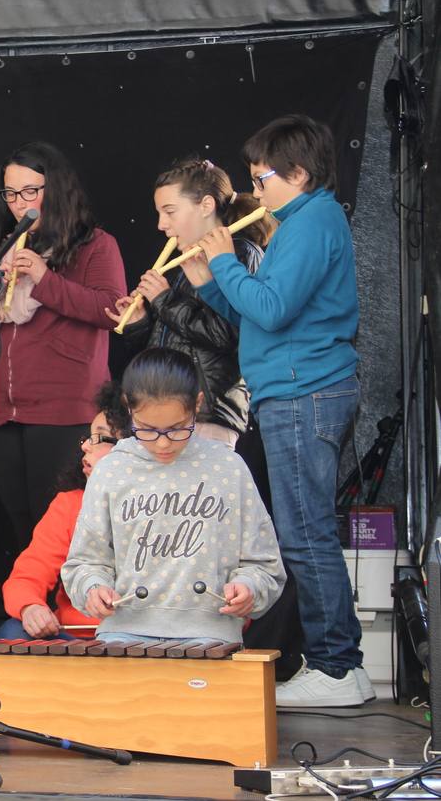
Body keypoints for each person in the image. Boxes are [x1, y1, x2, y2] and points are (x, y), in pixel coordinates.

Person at [189, 114, 366, 706]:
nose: (254, 191)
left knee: (305, 534)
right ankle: (340, 664)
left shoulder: (312, 220)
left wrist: (223, 262)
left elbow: (272, 308)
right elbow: (255, 318)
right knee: (303, 530)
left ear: (298, 172)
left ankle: (336, 667)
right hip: (293, 387)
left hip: (304, 390)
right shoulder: (297, 223)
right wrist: (211, 282)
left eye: (262, 178)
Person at [0, 142, 126, 554]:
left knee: (63, 524)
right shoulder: (2, 246)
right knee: (21, 527)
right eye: (10, 193)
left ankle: (70, 614)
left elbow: (111, 310)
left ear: (57, 189)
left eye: (31, 191)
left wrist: (44, 278)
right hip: (1, 409)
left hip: (65, 409)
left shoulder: (94, 245)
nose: (19, 203)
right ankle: (33, 611)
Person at [62, 348, 286, 645]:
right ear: (130, 410)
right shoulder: (111, 470)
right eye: (148, 430)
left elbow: (265, 564)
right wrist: (93, 588)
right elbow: (84, 563)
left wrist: (249, 588)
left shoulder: (228, 468)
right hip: (123, 634)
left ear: (197, 406)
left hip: (209, 636)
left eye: (178, 429)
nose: (163, 443)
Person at [106, 158, 274, 448]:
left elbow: (232, 336)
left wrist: (164, 299)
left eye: (170, 211)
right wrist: (139, 324)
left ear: (206, 205)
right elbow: (180, 341)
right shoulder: (190, 256)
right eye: (159, 213)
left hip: (205, 415)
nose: (162, 224)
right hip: (164, 408)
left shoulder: (240, 254)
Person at [0, 381, 129, 641]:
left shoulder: (165, 501)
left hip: (142, 639)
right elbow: (28, 574)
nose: (85, 446)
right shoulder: (69, 504)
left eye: (100, 437)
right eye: (87, 437)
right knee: (14, 631)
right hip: (75, 637)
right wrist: (30, 607)